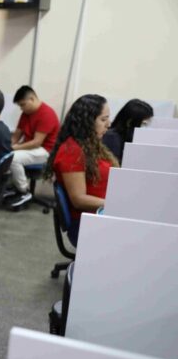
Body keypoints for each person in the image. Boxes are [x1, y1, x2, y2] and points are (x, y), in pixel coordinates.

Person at [44, 94, 118, 246]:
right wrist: (116, 204)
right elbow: (79, 199)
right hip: (86, 223)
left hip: (100, 213)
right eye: (103, 119)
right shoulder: (72, 151)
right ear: (87, 121)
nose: (108, 124)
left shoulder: (90, 144)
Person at [8, 85, 60, 208]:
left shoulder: (46, 114)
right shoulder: (26, 113)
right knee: (5, 154)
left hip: (46, 151)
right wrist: (8, 145)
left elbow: (37, 142)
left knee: (13, 158)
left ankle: (24, 191)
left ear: (32, 99)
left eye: (23, 104)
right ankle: (12, 187)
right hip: (33, 148)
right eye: (20, 106)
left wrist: (13, 148)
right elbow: (16, 135)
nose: (21, 108)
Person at [102, 98, 154, 164]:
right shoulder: (112, 138)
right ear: (130, 122)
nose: (145, 128)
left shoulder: (127, 137)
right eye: (144, 124)